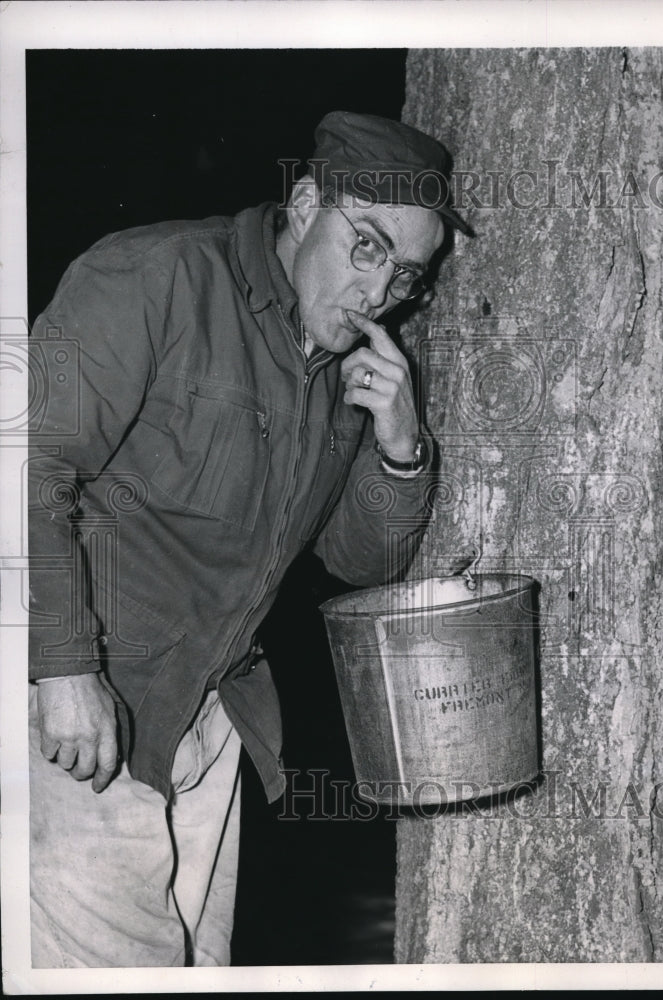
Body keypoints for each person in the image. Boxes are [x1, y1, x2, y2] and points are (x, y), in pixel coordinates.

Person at [27, 110, 469, 967]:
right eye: (366, 247)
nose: (378, 293)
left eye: (405, 275)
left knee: (199, 969)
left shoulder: (342, 361)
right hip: (79, 707)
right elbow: (25, 463)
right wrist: (64, 670)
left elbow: (356, 561)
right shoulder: (156, 277)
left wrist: (400, 450)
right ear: (304, 206)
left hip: (208, 722)